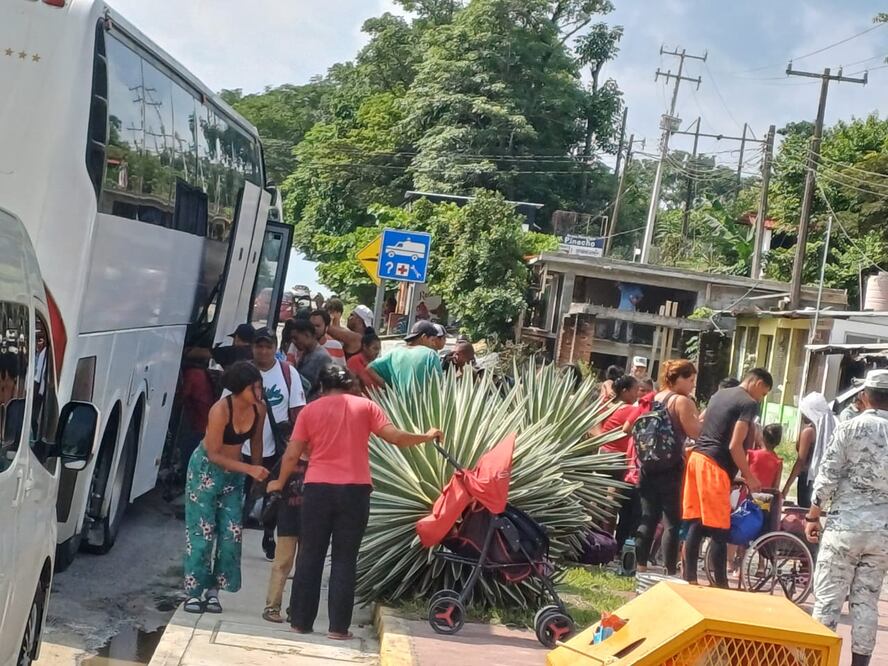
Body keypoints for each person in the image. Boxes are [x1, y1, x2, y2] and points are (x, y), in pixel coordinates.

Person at [268, 366, 444, 639]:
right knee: (345, 558)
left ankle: (300, 622)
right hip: (355, 491)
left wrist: (279, 482)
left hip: (317, 489)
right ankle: (338, 628)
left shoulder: (309, 411)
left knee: (310, 555)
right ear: (350, 385)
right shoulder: (366, 407)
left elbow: (292, 454)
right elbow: (396, 438)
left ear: (321, 387)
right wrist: (427, 436)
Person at [806, 369, 888, 666]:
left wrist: (813, 515)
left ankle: (818, 660)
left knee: (828, 598)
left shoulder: (850, 427)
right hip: (882, 533)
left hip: (844, 527)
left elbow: (828, 475)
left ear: (865, 396)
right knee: (867, 601)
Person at [183, 362, 269, 614]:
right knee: (202, 533)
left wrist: (257, 474)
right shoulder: (220, 410)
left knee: (231, 534)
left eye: (260, 387)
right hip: (205, 473)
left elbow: (256, 443)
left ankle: (214, 591)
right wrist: (249, 469)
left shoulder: (259, 409)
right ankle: (193, 592)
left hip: (235, 477)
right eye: (254, 388)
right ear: (239, 389)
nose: (259, 392)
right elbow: (213, 454)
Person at [682, 368, 772, 588]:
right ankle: (721, 585)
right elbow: (734, 445)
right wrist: (749, 476)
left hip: (697, 459)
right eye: (763, 393)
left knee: (697, 522)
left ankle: (690, 578)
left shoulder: (719, 394)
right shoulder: (748, 403)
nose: (761, 398)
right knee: (720, 528)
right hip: (715, 465)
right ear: (757, 383)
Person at [234, 328, 306, 561]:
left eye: (268, 346)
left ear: (275, 348)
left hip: (275, 447)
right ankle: (233, 539)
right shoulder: (242, 371)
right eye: (259, 346)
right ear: (252, 347)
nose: (263, 351)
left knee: (273, 496)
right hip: (242, 447)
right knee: (239, 496)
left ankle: (268, 534)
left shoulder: (288, 373)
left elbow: (298, 410)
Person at [635, 360, 703, 577]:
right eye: (690, 380)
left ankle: (640, 566)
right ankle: (669, 570)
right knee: (671, 522)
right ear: (677, 379)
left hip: (647, 465)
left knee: (648, 517)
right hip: (671, 468)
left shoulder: (654, 397)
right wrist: (703, 418)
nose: (692, 385)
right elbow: (695, 432)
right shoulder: (681, 401)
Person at [598, 375, 645, 551]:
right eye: (635, 390)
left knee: (598, 499)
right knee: (612, 502)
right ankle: (608, 544)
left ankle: (596, 540)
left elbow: (606, 384)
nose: (637, 394)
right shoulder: (630, 410)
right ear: (625, 391)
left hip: (602, 455)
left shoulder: (607, 406)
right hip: (617, 458)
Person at [783, 392, 836, 507]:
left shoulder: (809, 432)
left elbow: (800, 461)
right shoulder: (827, 430)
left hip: (807, 480)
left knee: (805, 512)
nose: (802, 414)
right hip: (821, 479)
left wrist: (786, 487)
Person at [367, 321, 443, 393]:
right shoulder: (430, 354)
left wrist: (389, 388)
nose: (434, 344)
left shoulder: (394, 352)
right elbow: (438, 385)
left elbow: (369, 368)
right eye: (432, 340)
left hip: (398, 401)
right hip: (423, 402)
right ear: (424, 337)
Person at [291, 319, 333, 399]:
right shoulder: (305, 353)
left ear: (307, 335)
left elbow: (323, 388)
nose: (293, 342)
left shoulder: (322, 357)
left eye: (296, 338)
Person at [747, 423, 783, 489]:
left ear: (763, 437)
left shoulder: (751, 455)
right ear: (778, 442)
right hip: (766, 494)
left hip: (749, 492)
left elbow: (744, 476)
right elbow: (776, 487)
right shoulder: (778, 462)